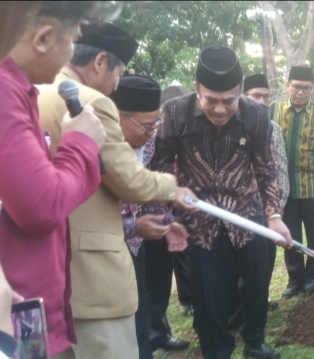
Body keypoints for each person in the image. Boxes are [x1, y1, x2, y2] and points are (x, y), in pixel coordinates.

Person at [38, 23, 196, 359]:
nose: (116, 84)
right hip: (92, 278)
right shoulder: (90, 102)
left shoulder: (32, 92)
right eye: (118, 73)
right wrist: (173, 188)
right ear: (99, 63)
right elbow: (129, 180)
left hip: (42, 273)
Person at [150, 45, 292, 359]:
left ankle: (254, 341)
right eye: (210, 100)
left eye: (228, 101)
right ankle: (216, 350)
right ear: (197, 89)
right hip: (200, 219)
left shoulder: (256, 113)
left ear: (239, 92)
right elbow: (160, 164)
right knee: (207, 296)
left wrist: (273, 215)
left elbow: (266, 168)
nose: (219, 109)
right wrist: (172, 195)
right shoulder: (176, 112)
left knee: (257, 285)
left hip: (247, 213)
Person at [0, 2, 107, 358]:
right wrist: (80, 143)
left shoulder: (18, 91)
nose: (71, 52)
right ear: (44, 37)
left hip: (25, 306)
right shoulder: (3, 92)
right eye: (73, 39)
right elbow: (42, 205)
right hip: (15, 315)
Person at [109, 75, 190, 358]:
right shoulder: (98, 148)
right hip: (107, 247)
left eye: (157, 124)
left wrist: (167, 222)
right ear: (117, 116)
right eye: (145, 125)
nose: (151, 132)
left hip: (139, 240)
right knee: (122, 317)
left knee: (143, 305)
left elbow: (150, 189)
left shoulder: (151, 142)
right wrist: (133, 227)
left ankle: (151, 340)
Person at [271, 66, 314, 298]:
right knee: (290, 235)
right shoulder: (273, 110)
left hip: (313, 185)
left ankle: (312, 276)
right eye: (296, 87)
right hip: (285, 190)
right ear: (287, 86)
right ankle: (294, 279)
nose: (301, 92)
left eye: (306, 88)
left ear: (313, 89)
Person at [244, 74, 290, 311]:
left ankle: (260, 299)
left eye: (265, 96)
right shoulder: (233, 124)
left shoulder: (273, 128)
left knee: (265, 258)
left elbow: (281, 167)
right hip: (239, 208)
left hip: (268, 208)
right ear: (243, 97)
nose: (261, 101)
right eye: (255, 96)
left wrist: (279, 204)